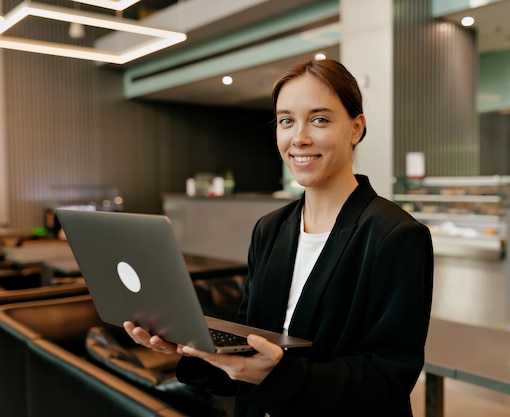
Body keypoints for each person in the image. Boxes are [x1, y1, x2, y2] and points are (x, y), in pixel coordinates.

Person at [124, 58, 433, 417]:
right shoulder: (269, 229)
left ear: (356, 128)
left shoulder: (395, 236)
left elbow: (388, 379)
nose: (299, 138)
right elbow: (247, 352)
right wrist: (189, 348)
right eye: (286, 120)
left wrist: (280, 377)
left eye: (320, 119)